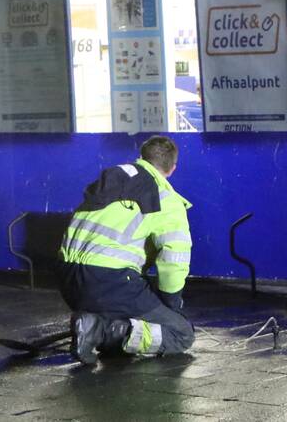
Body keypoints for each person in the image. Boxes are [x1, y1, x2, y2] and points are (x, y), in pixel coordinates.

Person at [58, 135, 195, 365]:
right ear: (172, 169)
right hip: (109, 281)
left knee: (135, 299)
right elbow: (174, 261)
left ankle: (96, 324)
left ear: (142, 158)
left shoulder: (111, 181)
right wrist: (171, 305)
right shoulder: (165, 199)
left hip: (68, 280)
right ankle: (100, 331)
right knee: (181, 334)